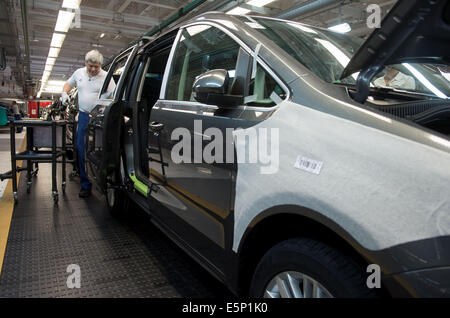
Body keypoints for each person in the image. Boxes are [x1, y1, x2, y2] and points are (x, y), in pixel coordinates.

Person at [62, 50, 115, 198]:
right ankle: (85, 184)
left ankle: (103, 180)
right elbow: (68, 84)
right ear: (85, 63)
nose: (93, 69)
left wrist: (106, 104)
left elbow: (114, 95)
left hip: (99, 117)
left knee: (101, 150)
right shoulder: (79, 73)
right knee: (81, 149)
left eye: (96, 67)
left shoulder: (106, 77)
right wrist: (64, 93)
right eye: (90, 66)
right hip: (84, 116)